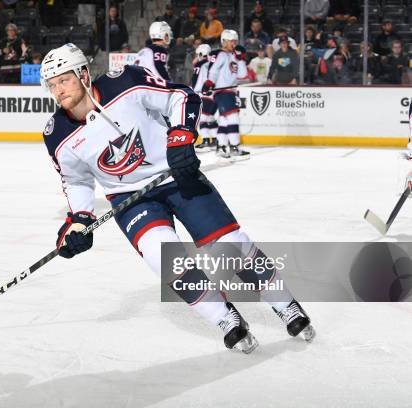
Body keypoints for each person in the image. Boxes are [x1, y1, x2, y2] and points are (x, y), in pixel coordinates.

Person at [39, 43, 315, 353]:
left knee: (230, 246)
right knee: (164, 259)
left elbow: (181, 96)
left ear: (84, 74)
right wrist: (78, 222)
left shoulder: (124, 82)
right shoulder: (56, 134)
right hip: (131, 200)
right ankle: (226, 318)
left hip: (175, 174)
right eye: (52, 84)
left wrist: (181, 135)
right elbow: (75, 180)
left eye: (64, 80)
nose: (58, 90)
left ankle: (286, 305)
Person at [205, 30, 250, 158]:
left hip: (230, 91)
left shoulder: (234, 56)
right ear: (224, 41)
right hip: (222, 91)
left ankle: (221, 147)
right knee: (233, 118)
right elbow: (213, 70)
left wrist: (240, 59)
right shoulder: (221, 55)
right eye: (231, 41)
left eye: (235, 41)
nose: (234, 43)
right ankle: (234, 147)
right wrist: (209, 82)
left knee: (224, 121)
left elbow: (242, 75)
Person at [191, 43, 218, 149]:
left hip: (205, 94)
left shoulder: (200, 64)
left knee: (202, 118)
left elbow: (195, 81)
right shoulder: (213, 64)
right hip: (214, 96)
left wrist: (194, 91)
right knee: (210, 118)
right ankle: (215, 139)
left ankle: (206, 140)